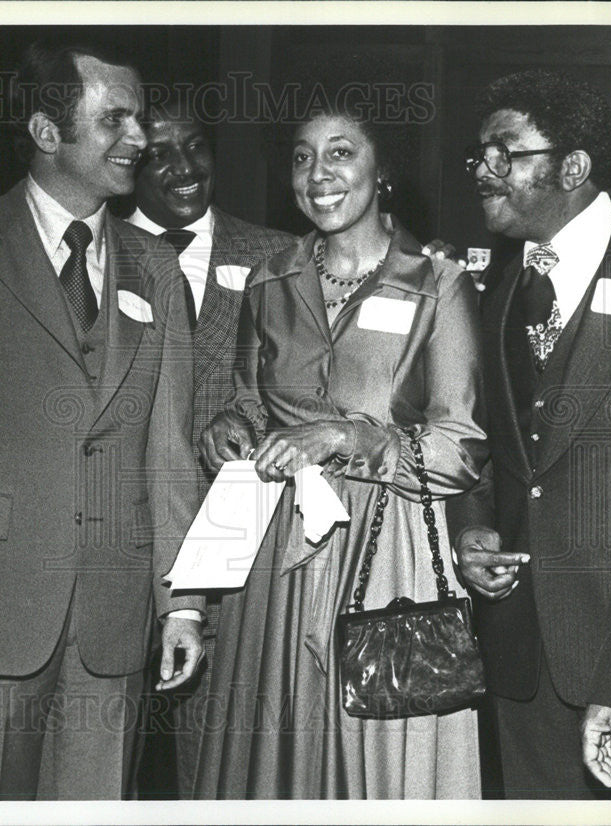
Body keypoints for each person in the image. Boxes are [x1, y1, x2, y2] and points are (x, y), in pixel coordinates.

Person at [196, 96, 487, 799]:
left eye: (340, 152)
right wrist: (227, 429)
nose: (317, 173)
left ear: (381, 171)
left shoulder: (438, 284)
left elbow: (460, 452)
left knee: (377, 762)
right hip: (276, 557)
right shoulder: (269, 281)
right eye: (302, 157)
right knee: (272, 756)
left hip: (387, 555)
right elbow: (247, 401)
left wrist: (348, 437)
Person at [0, 43, 204, 800]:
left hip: (114, 616)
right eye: (114, 118)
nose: (141, 139)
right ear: (47, 133)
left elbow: (170, 448)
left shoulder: (156, 267)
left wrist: (181, 603)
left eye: (139, 118)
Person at [446, 69, 611, 798]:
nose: (484, 170)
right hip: (519, 648)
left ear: (572, 167)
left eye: (504, 153)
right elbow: (491, 443)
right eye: (479, 154)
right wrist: (472, 528)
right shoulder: (506, 284)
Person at [125, 97, 295, 797]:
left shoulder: (276, 256)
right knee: (99, 761)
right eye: (158, 153)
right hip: (115, 541)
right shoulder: (91, 252)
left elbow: (306, 383)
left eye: (195, 146)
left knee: (217, 765)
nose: (183, 168)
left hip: (236, 553)